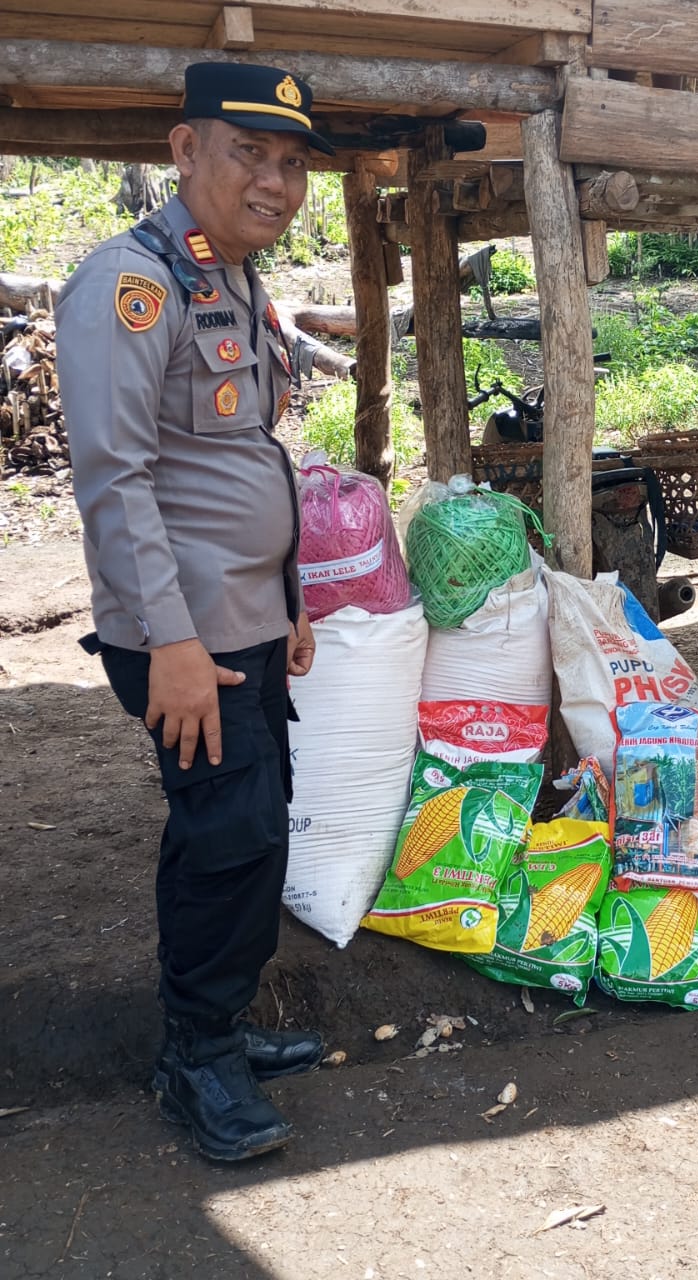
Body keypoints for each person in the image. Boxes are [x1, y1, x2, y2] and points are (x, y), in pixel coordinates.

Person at [57, 61, 336, 1159]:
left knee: (244, 830)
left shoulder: (224, 277)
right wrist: (172, 640)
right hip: (185, 637)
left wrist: (289, 599)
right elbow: (114, 476)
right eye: (248, 153)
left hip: (244, 623)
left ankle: (213, 1025)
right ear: (184, 151)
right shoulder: (131, 281)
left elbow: (243, 458)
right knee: (231, 836)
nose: (275, 180)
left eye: (290, 161)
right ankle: (196, 1058)